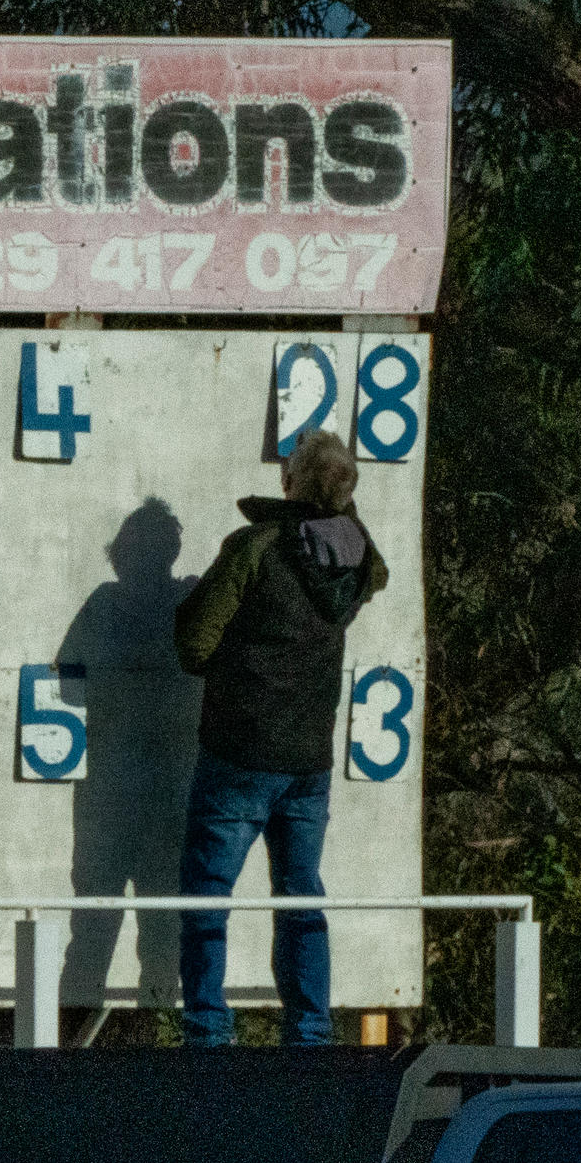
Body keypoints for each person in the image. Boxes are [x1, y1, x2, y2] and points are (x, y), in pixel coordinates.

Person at [170, 428, 386, 1046]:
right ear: (345, 493)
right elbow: (377, 571)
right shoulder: (359, 557)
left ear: (289, 482)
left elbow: (193, 642)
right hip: (309, 757)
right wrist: (341, 510)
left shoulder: (255, 547)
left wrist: (240, 669)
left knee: (209, 892)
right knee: (300, 894)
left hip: (241, 749)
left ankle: (209, 1032)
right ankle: (310, 1032)